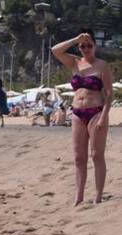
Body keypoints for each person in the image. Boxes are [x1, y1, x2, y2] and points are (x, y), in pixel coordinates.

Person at [53, 29, 113, 205]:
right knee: (79, 157)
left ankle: (98, 195)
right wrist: (75, 39)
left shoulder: (102, 65)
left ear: (95, 46)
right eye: (82, 46)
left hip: (96, 112)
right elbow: (55, 50)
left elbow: (109, 94)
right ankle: (78, 196)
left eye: (89, 45)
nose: (86, 48)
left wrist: (103, 117)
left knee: (96, 155)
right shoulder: (74, 63)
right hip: (77, 113)